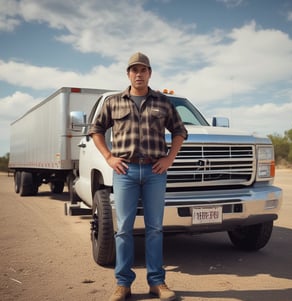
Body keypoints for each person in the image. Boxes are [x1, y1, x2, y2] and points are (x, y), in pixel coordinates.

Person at [88, 52, 188, 301]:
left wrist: (169, 159)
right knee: (123, 229)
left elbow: (180, 131)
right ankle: (123, 284)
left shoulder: (163, 102)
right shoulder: (113, 102)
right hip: (126, 172)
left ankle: (157, 283)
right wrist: (109, 157)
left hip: (155, 171)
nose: (139, 74)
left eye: (143, 70)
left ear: (150, 73)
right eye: (134, 70)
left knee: (154, 228)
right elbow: (96, 129)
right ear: (128, 74)